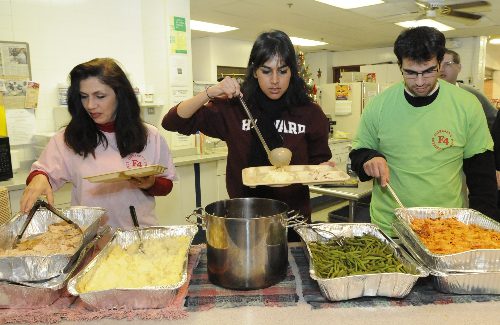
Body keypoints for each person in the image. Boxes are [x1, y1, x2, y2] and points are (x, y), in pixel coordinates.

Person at [162, 30, 332, 240]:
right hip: (245, 218)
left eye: (283, 71)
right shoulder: (236, 108)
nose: (275, 80)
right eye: (266, 71)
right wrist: (210, 92)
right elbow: (172, 121)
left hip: (293, 220)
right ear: (254, 72)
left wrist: (323, 170)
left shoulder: (309, 112)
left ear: (292, 72)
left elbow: (319, 162)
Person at [349, 26, 499, 237]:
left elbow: (481, 176)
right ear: (400, 66)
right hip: (391, 228)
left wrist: (486, 231)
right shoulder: (379, 105)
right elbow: (358, 154)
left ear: (440, 64)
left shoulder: (467, 105)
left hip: (448, 228)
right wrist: (370, 158)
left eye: (428, 71)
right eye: (410, 73)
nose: (419, 82)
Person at [21, 58, 177, 229]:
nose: (90, 105)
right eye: (83, 97)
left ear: (120, 95)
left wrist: (151, 183)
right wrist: (39, 178)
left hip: (139, 235)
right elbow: (43, 172)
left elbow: (166, 185)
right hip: (91, 238)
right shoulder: (67, 138)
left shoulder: (149, 135)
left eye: (100, 96)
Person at [440, 49, 497, 131]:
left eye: (447, 64)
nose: (441, 69)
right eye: (438, 64)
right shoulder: (425, 93)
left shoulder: (472, 94)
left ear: (459, 67)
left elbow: (494, 119)